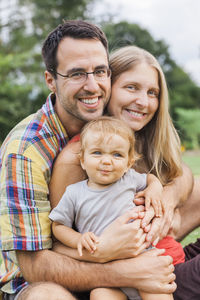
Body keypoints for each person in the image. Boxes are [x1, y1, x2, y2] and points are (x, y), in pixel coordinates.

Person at [0, 21, 177, 300]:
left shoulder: (110, 122)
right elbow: (34, 267)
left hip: (106, 254)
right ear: (50, 80)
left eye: (100, 71)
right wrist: (126, 270)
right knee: (47, 296)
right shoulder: (24, 151)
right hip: (35, 280)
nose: (92, 85)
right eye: (77, 74)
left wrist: (166, 197)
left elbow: (182, 176)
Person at [49, 45, 200, 300]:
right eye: (131, 87)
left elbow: (182, 171)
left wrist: (165, 195)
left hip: (168, 258)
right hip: (144, 278)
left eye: (152, 92)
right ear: (108, 87)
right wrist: (101, 252)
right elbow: (58, 242)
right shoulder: (80, 159)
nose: (143, 101)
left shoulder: (140, 143)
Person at [49, 116, 186, 300]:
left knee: (158, 291)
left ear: (129, 163)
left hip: (143, 260)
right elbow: (58, 226)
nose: (107, 161)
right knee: (100, 295)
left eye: (117, 155)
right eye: (97, 153)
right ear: (82, 160)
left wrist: (155, 188)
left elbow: (150, 178)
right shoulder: (74, 193)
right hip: (108, 273)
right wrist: (78, 239)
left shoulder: (128, 178)